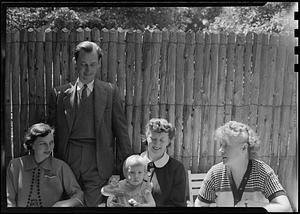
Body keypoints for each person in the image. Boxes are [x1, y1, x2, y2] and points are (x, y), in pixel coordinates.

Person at [47, 41, 132, 207]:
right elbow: (50, 134)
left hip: (98, 162)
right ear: (75, 63)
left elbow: (121, 133)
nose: (88, 70)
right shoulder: (59, 94)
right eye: (83, 64)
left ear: (99, 63)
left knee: (94, 204)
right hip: (67, 161)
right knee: (68, 204)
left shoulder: (110, 92)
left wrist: (121, 169)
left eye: (93, 64)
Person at [194, 121, 292, 212]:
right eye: (221, 145)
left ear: (244, 148)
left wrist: (250, 205)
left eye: (226, 146)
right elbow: (199, 205)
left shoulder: (263, 172)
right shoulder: (215, 173)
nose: (220, 150)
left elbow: (286, 209)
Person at [6, 123, 84, 207]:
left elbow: (78, 196)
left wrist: (62, 204)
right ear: (32, 145)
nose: (48, 148)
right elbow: (9, 200)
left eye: (51, 142)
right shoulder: (15, 166)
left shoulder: (60, 167)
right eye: (42, 144)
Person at [140, 118, 186, 207]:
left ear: (169, 141)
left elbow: (178, 205)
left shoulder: (176, 169)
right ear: (146, 137)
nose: (157, 143)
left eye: (162, 140)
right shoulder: (133, 162)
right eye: (153, 139)